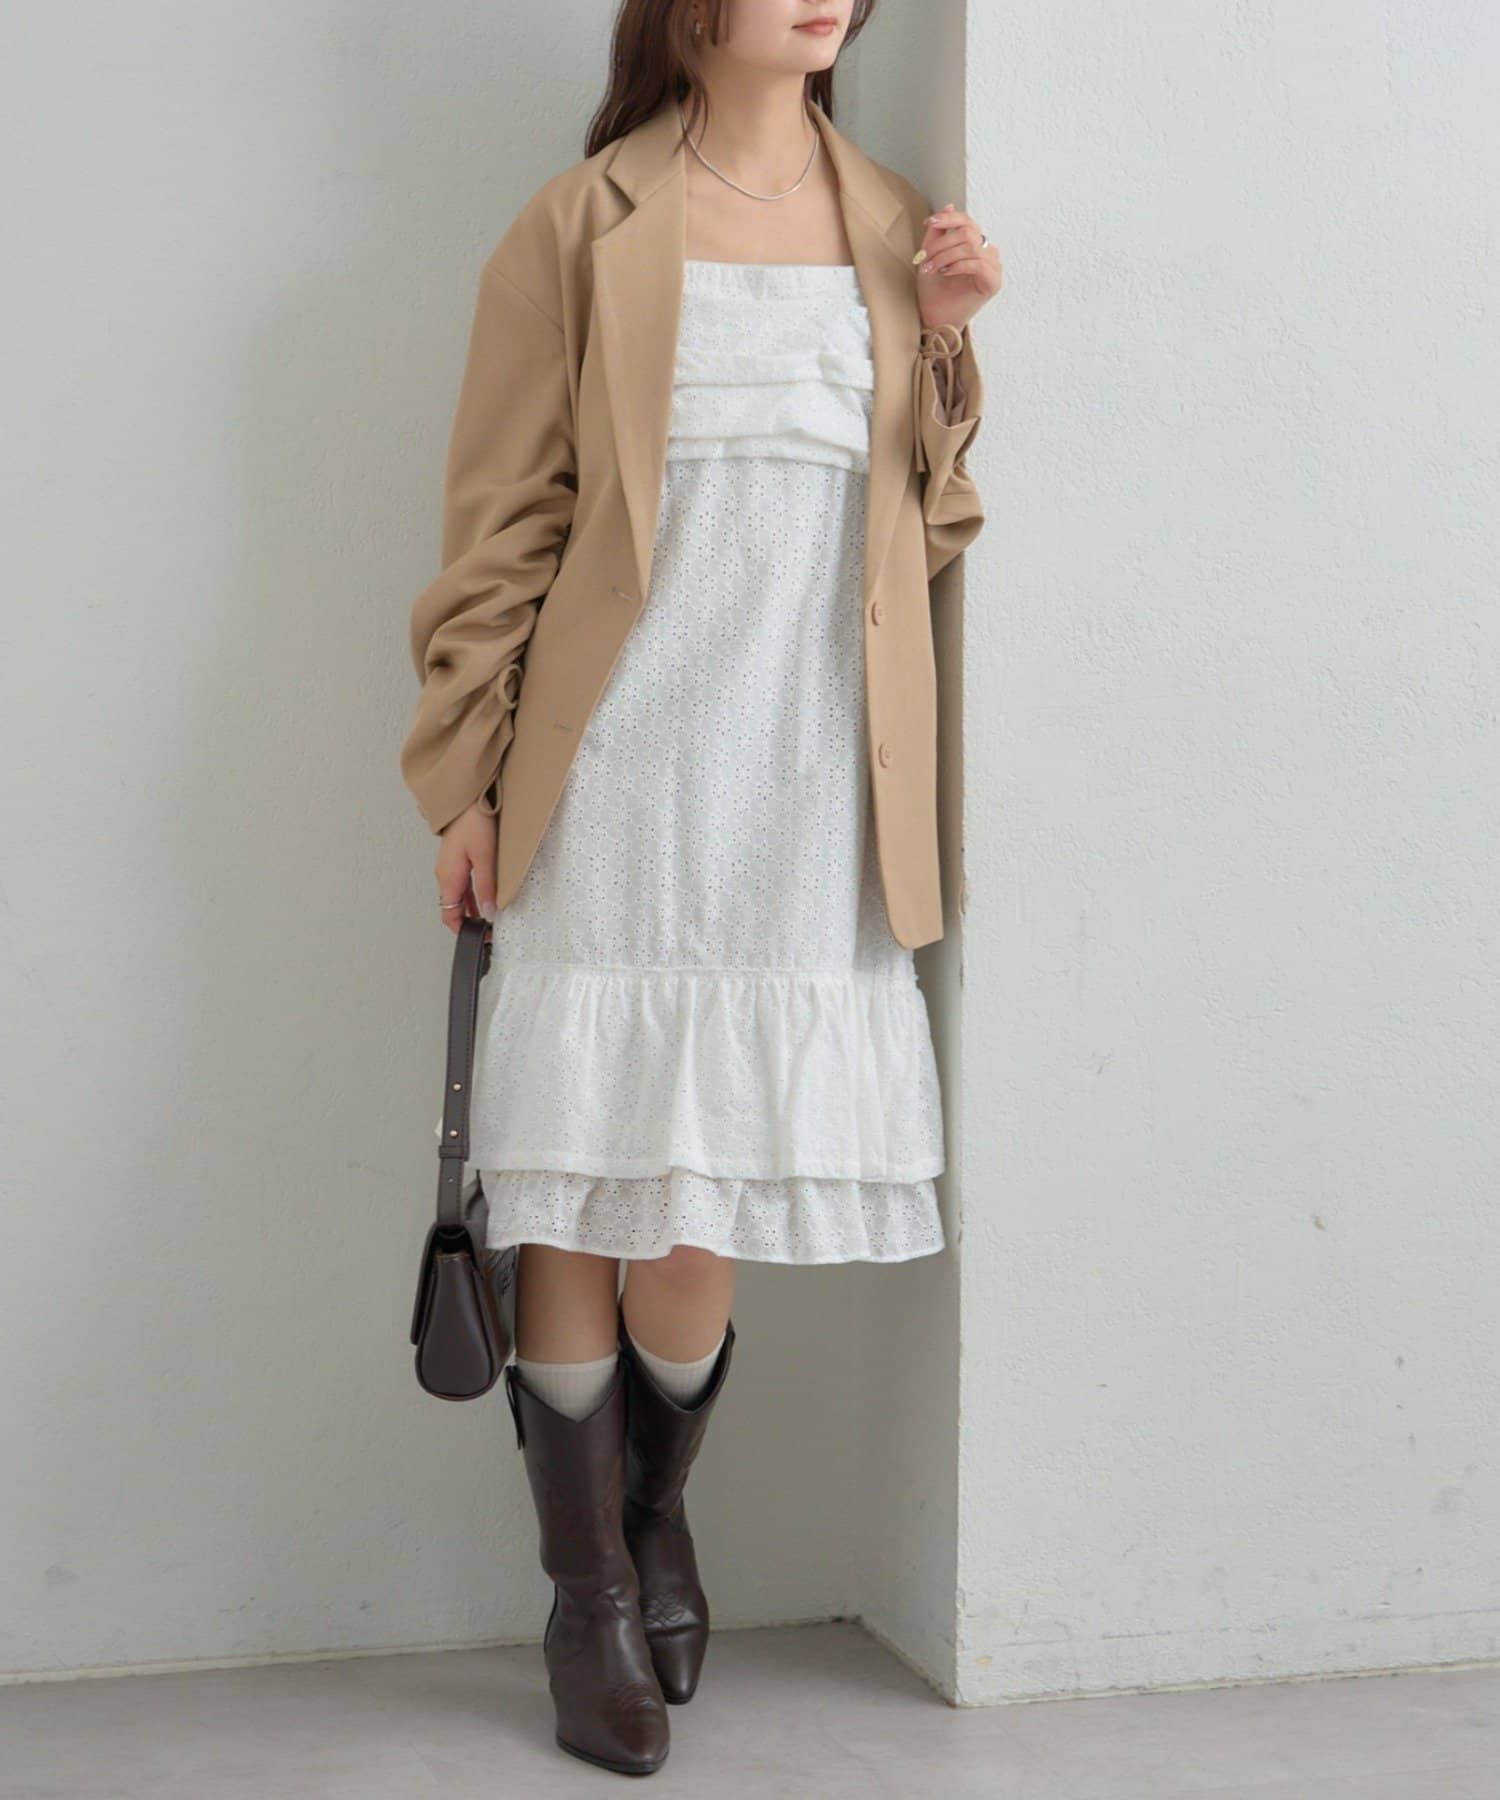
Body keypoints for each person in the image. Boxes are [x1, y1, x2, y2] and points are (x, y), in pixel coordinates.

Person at [399, 0, 999, 1777]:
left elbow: (928, 521)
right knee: (580, 1193)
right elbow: (502, 519)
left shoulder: (898, 225)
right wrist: (463, 777)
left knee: (696, 1204)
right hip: (615, 767)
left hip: (806, 771)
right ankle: (588, 1595)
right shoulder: (581, 223)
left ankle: (654, 1514)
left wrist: (947, 342)